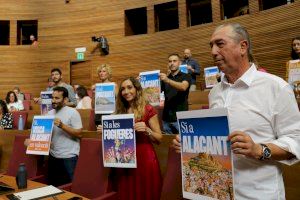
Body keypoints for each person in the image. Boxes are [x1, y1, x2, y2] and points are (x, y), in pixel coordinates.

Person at [173, 23, 300, 199]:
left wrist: (258, 149)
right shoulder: (215, 93)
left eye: (220, 44)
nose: (213, 51)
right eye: (211, 46)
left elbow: (295, 141)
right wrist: (190, 143)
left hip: (260, 194)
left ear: (242, 46)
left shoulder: (276, 87)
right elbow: (214, 143)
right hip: (219, 193)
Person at [109, 77, 163, 200]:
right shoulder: (119, 112)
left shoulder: (148, 109)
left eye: (129, 87)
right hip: (125, 159)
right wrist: (107, 131)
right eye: (123, 89)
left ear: (137, 89)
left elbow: (159, 138)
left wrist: (147, 130)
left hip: (144, 158)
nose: (126, 92)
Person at [47, 86, 83, 186]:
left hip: (69, 157)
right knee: (53, 187)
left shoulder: (73, 112)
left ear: (65, 99)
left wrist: (62, 125)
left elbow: (79, 133)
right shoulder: (49, 114)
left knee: (70, 188)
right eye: (52, 97)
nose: (53, 100)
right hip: (53, 156)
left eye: (57, 98)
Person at [160, 53, 191, 134]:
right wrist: (139, 83)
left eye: (174, 61)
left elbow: (183, 87)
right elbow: (154, 93)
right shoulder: (164, 79)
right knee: (169, 144)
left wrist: (168, 80)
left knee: (183, 144)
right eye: (170, 61)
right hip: (166, 118)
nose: (172, 63)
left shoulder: (186, 76)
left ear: (179, 63)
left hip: (181, 117)